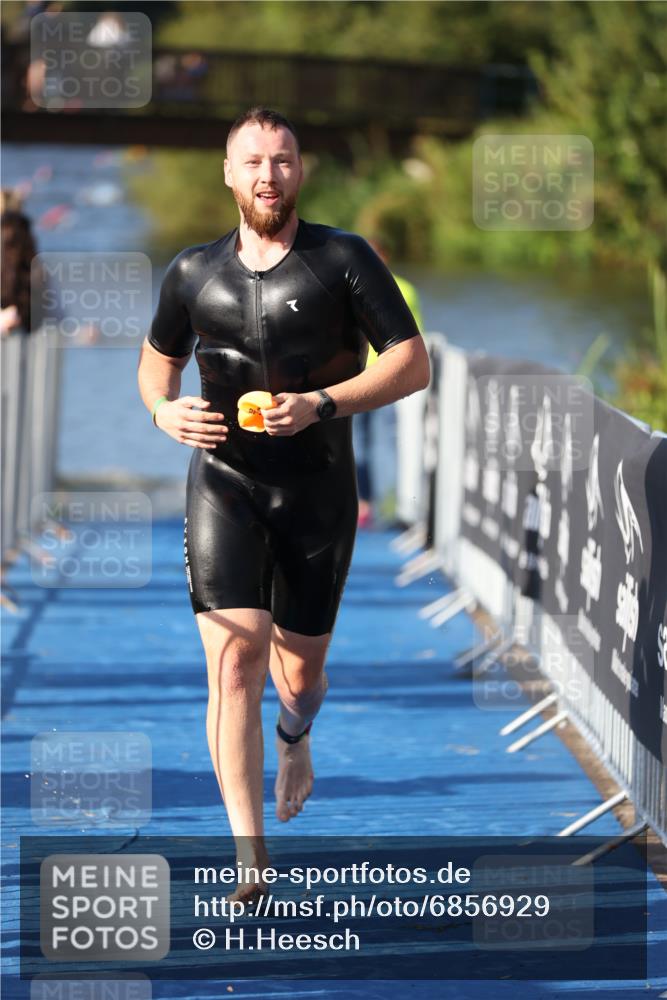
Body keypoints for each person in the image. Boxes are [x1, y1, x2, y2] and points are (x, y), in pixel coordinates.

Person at [137, 107, 430, 903]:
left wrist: (323, 405)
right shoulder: (191, 273)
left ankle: (295, 737)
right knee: (235, 661)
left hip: (315, 489)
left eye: (284, 159)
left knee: (298, 674)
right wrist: (165, 414)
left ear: (301, 171)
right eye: (254, 162)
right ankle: (248, 853)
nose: (269, 175)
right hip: (223, 486)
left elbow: (411, 364)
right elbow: (154, 369)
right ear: (229, 175)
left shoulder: (343, 259)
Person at [355, 237, 424, 528]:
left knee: (383, 444)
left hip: (384, 379)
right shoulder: (353, 283)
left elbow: (415, 336)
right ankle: (366, 505)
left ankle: (388, 505)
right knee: (360, 444)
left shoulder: (401, 289)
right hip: (356, 381)